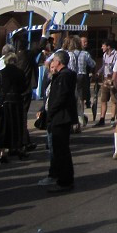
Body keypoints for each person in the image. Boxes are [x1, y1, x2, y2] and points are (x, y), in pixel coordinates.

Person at [42, 50, 76, 193]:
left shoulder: (64, 76)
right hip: (59, 116)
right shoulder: (61, 75)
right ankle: (62, 178)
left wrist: (51, 112)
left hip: (61, 117)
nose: (52, 63)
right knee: (59, 149)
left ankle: (64, 181)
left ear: (59, 62)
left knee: (61, 150)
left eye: (54, 60)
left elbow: (60, 97)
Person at [0, 52, 29, 164]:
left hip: (3, 103)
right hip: (16, 102)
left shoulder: (0, 73)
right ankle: (18, 148)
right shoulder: (20, 73)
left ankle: (3, 152)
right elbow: (23, 87)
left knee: (3, 127)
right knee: (17, 125)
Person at [95, 39, 117, 127]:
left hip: (113, 79)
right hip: (105, 79)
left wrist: (114, 79)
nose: (102, 48)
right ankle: (102, 118)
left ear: (108, 46)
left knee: (114, 100)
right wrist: (99, 72)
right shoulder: (105, 55)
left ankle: (112, 118)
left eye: (103, 46)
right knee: (103, 99)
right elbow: (104, 66)